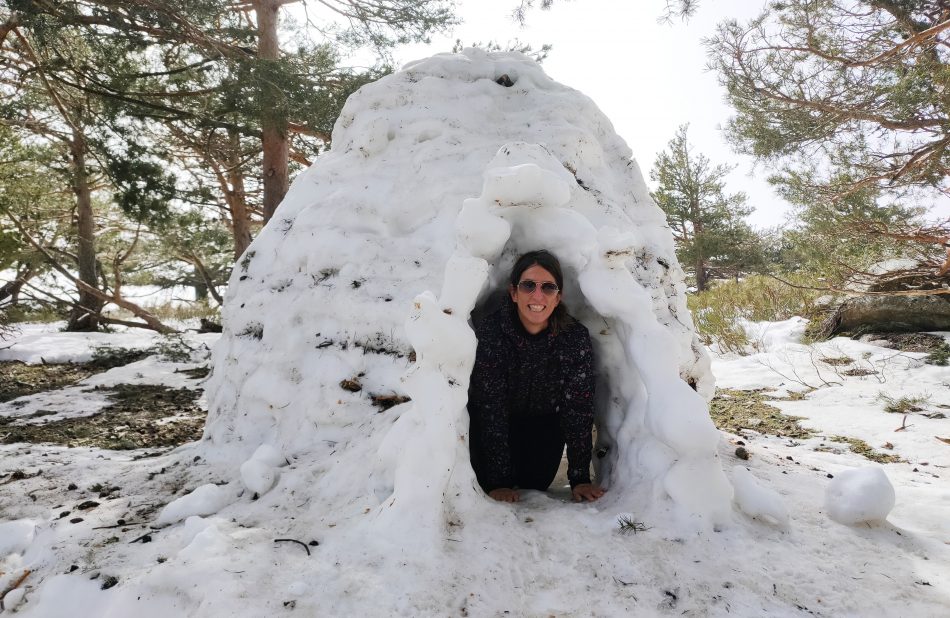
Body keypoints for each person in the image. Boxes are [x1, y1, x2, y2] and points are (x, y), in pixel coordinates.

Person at [468, 250, 606, 503]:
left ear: (558, 297)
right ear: (513, 292)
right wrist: (499, 481)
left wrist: (579, 478)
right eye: (528, 285)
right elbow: (491, 406)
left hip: (543, 425)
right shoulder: (493, 332)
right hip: (498, 423)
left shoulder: (573, 338)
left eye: (548, 287)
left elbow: (578, 408)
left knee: (535, 482)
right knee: (488, 479)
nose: (537, 295)